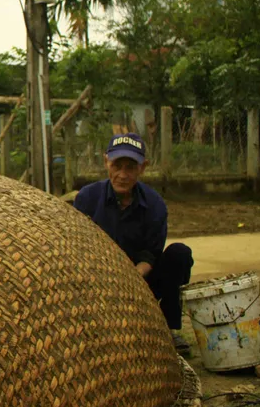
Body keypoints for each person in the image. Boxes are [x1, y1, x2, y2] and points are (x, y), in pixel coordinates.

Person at [73, 133, 193, 355]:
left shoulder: (155, 204)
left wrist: (131, 279)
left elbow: (151, 254)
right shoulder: (86, 199)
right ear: (106, 162)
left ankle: (169, 329)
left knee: (179, 253)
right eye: (117, 166)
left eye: (130, 167)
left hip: (141, 280)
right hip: (97, 281)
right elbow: (77, 247)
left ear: (143, 167)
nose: (122, 175)